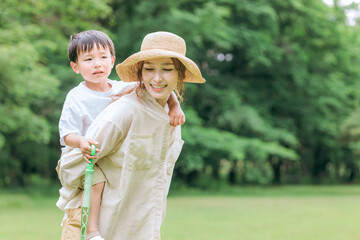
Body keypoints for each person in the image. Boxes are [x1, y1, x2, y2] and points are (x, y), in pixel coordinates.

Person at [57, 31, 205, 240]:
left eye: (167, 69)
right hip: (84, 165)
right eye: (150, 69)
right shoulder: (113, 107)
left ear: (180, 74)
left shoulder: (154, 106)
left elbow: (160, 89)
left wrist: (175, 106)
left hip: (133, 224)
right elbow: (68, 140)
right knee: (96, 181)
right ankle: (91, 232)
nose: (157, 77)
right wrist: (81, 143)